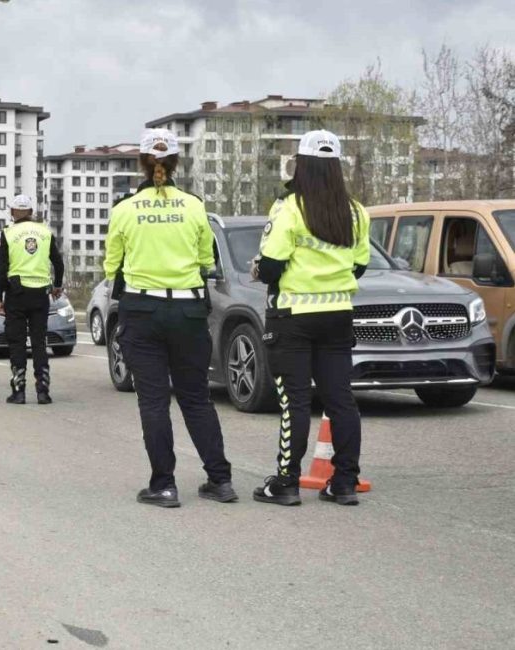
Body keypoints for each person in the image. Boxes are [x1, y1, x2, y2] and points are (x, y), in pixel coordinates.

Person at [103, 127, 235, 508]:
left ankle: (163, 485)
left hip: (142, 311)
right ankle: (220, 480)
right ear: (176, 163)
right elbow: (207, 261)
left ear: (142, 164)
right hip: (188, 310)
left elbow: (113, 266)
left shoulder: (124, 209)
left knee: (154, 401)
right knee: (196, 399)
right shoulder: (194, 206)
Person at [251, 130, 370, 507]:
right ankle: (345, 481)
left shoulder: (289, 209)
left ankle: (286, 482)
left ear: (300, 165)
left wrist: (261, 270)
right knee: (341, 400)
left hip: (294, 317)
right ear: (336, 167)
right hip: (338, 315)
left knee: (295, 401)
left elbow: (270, 267)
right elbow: (361, 265)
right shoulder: (354, 211)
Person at [0, 194, 65, 405]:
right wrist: (57, 286)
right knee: (39, 342)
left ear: (13, 212)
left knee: (17, 342)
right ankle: (43, 391)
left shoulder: (8, 233)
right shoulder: (45, 232)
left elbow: (1, 269)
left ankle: (19, 391)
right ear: (32, 212)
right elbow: (58, 263)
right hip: (40, 294)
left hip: (16, 294)